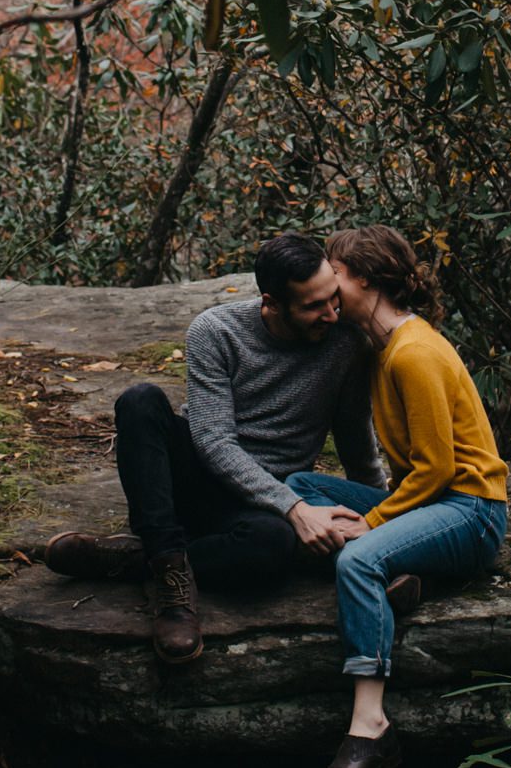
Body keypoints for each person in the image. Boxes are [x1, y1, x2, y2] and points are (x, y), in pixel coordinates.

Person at [41, 233, 387, 664]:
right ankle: (172, 587)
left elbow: (357, 443)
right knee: (140, 400)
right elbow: (212, 440)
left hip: (259, 505)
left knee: (273, 546)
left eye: (334, 299)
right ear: (272, 303)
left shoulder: (348, 344)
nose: (332, 314)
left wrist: (385, 523)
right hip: (197, 478)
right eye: (315, 306)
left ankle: (141, 558)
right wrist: (296, 508)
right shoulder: (216, 330)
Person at [283, 225, 508, 768]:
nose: (328, 286)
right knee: (300, 484)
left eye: (334, 273)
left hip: (472, 510)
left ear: (363, 278)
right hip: (434, 503)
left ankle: (370, 728)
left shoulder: (413, 353)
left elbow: (435, 470)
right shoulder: (381, 350)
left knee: (356, 560)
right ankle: (405, 578)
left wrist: (373, 525)